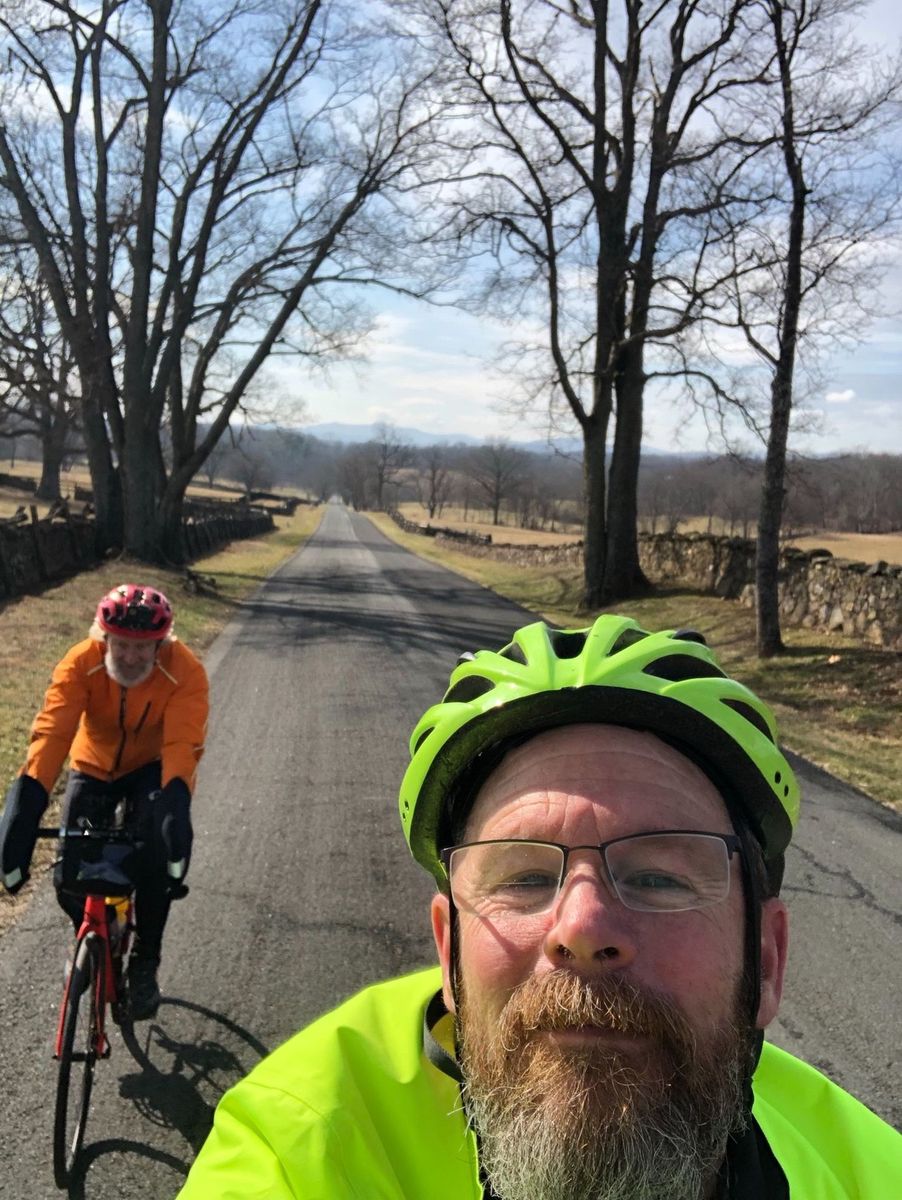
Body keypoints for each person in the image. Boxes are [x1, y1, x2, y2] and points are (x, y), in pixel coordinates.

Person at [177, 615, 900, 1198]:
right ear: (449, 954)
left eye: (659, 879)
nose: (582, 927)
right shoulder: (304, 1148)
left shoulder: (871, 1174)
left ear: (766, 961)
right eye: (523, 878)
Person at [0, 583, 208, 1019]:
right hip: (92, 763)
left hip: (150, 767)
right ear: (103, 637)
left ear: (161, 644)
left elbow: (182, 744)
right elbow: (53, 732)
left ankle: (145, 961)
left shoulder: (185, 672)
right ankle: (91, 934)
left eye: (143, 647)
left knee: (153, 865)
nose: (130, 657)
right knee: (69, 874)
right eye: (121, 644)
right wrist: (26, 804)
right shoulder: (81, 662)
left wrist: (175, 809)